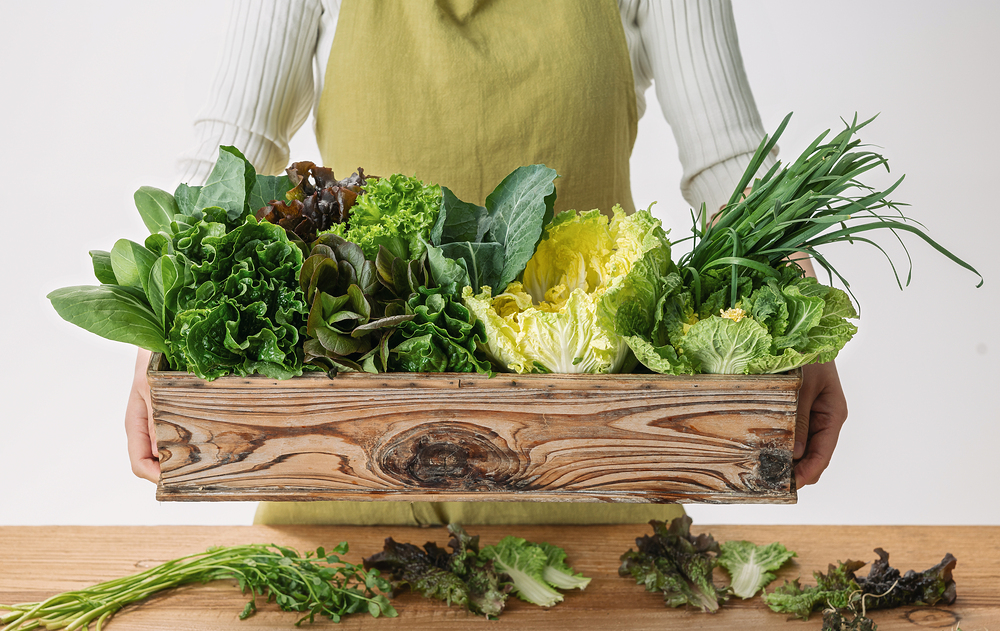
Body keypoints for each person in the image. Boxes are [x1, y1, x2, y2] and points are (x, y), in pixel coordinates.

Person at [126, 0, 848, 524]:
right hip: (347, 473)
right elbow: (236, 146)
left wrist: (799, 316)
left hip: (597, 466)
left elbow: (729, 163)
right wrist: (154, 330)